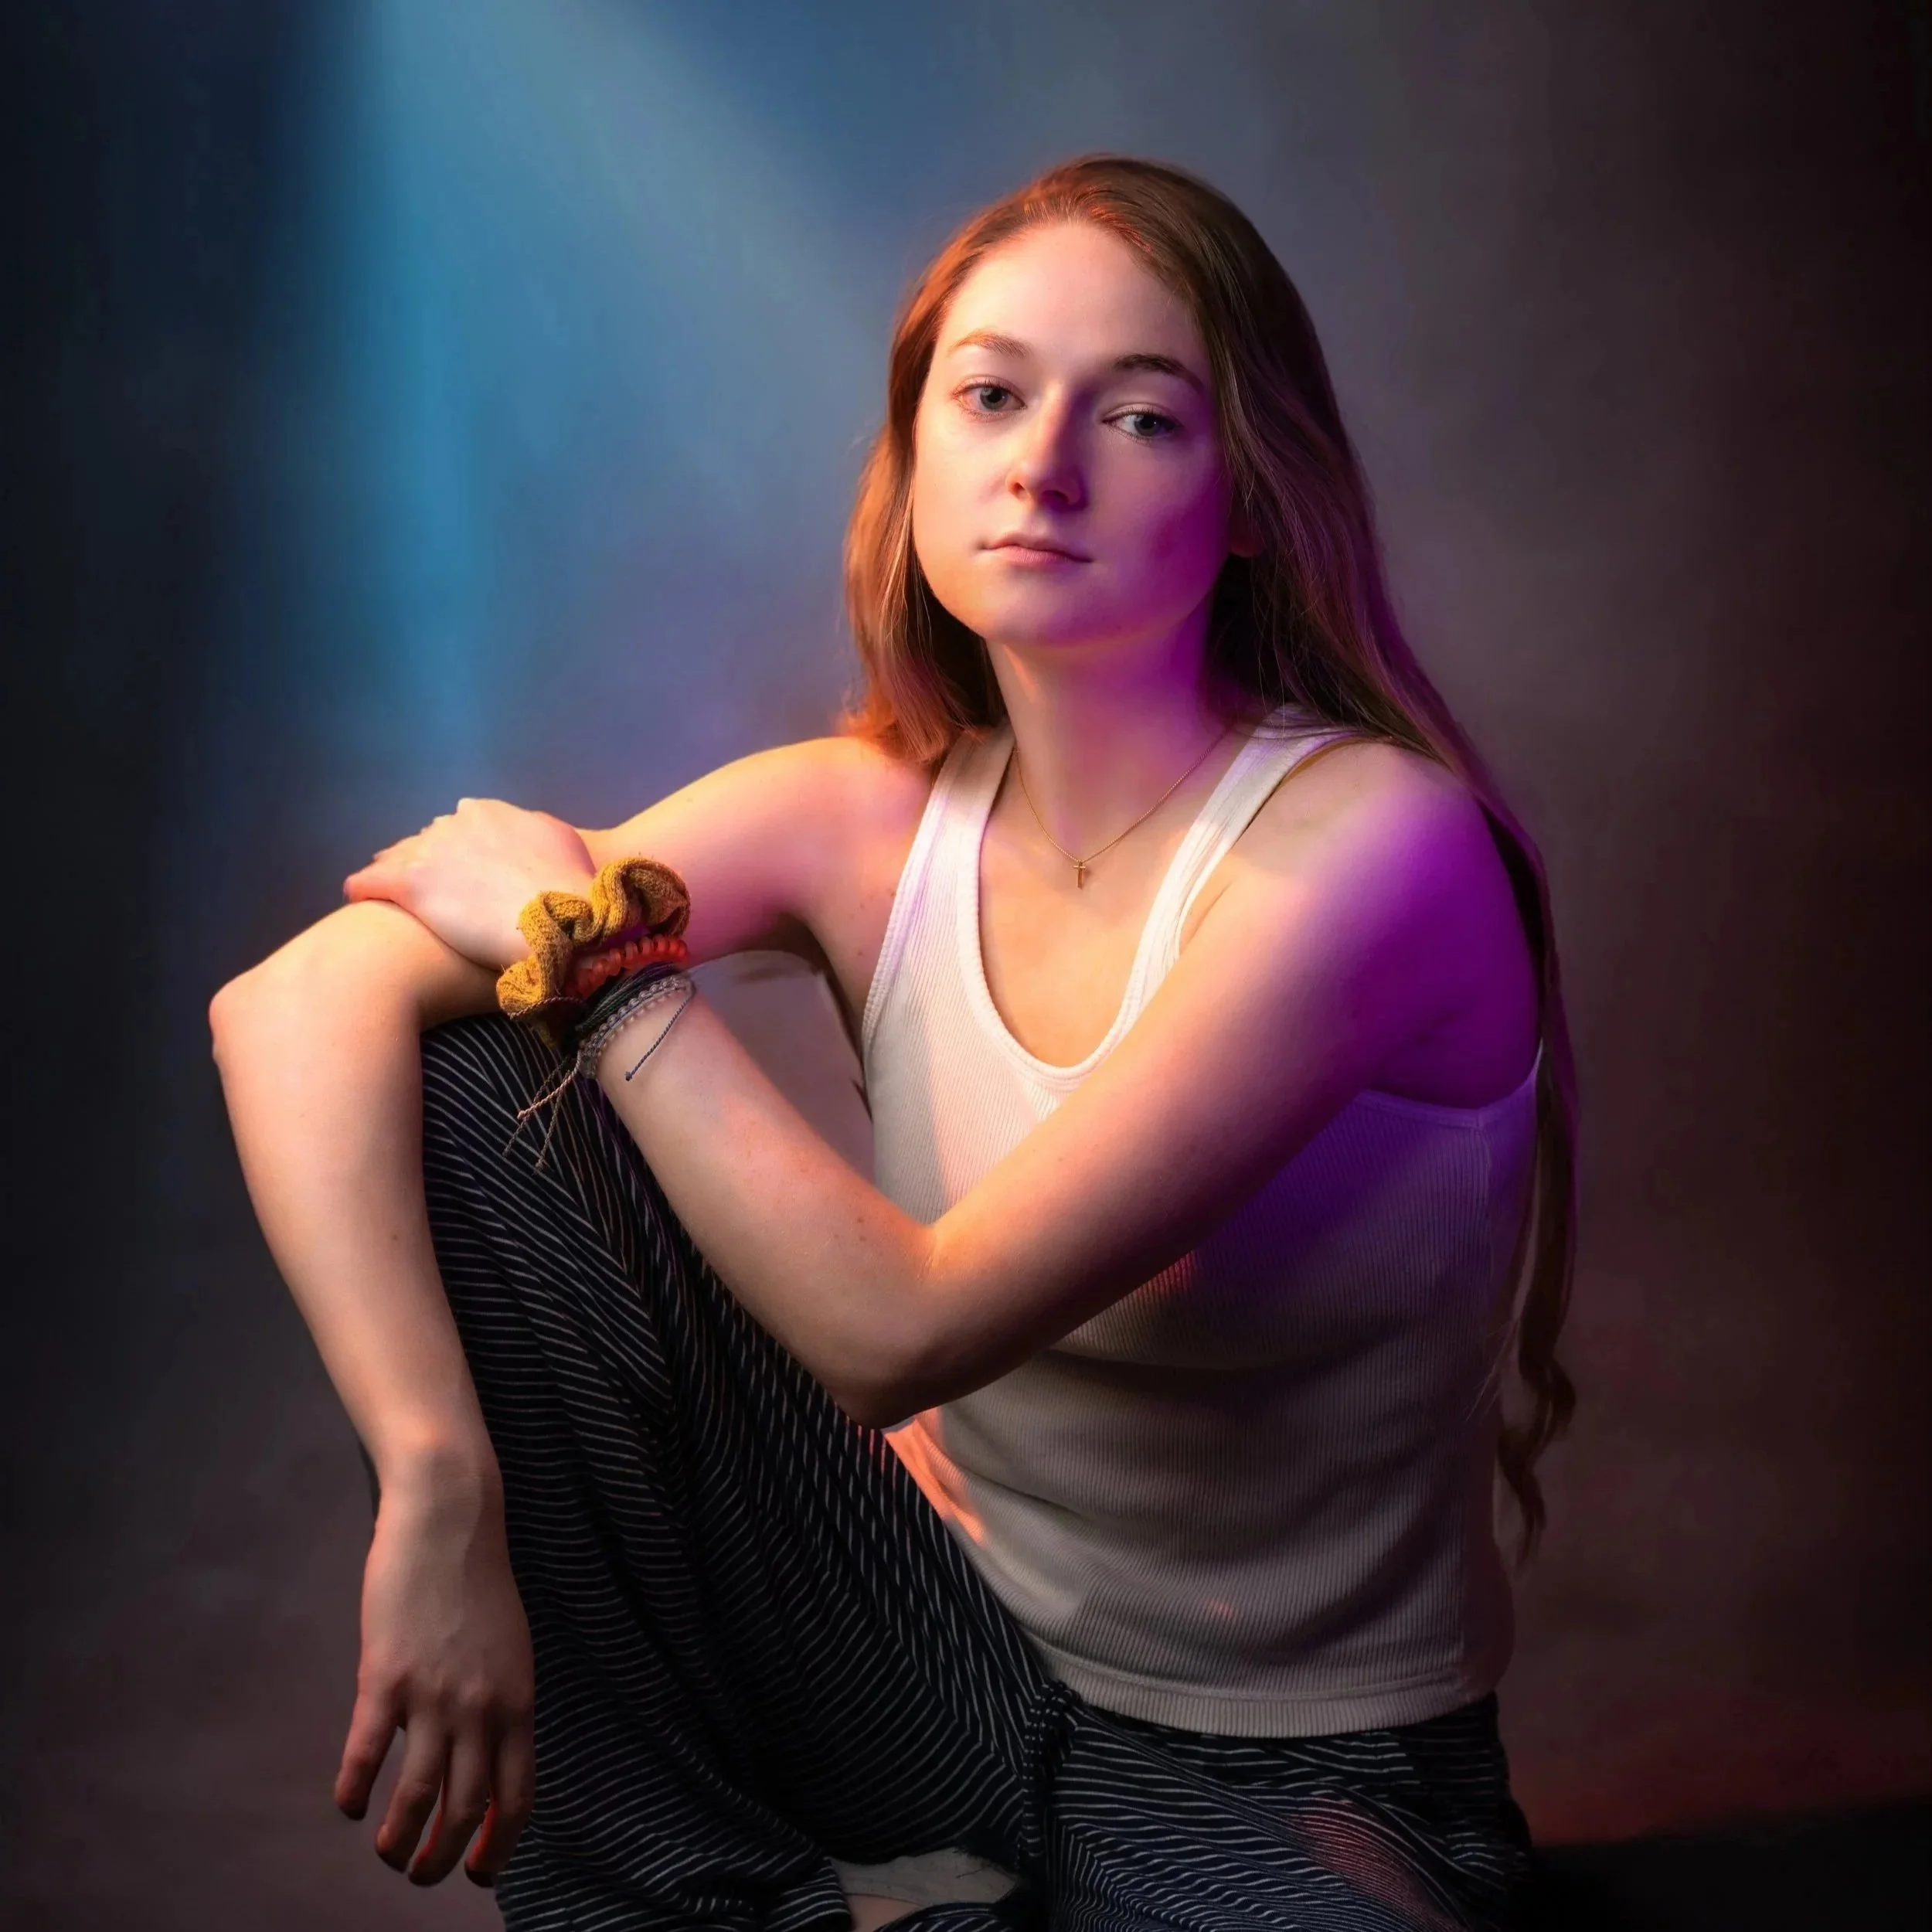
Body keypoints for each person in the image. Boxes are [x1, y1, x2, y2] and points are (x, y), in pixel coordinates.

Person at [209, 153, 1578, 1930]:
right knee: (476, 1071)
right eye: (990, 394)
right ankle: (675, 1901)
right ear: (915, 452)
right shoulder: (861, 818)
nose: (1043, 462)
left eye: (1142, 416)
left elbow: (902, 1326)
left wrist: (603, 960)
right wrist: (435, 1476)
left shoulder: (1375, 849)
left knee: (551, 1006)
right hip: (934, 1655)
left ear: (1247, 491)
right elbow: (294, 1000)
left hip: (1290, 1775)